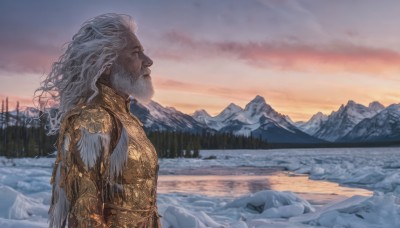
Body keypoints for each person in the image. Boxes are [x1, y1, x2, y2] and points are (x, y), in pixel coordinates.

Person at [36, 13, 161, 227]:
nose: (148, 61)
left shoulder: (125, 117)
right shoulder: (92, 120)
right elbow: (84, 215)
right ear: (106, 64)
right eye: (136, 53)